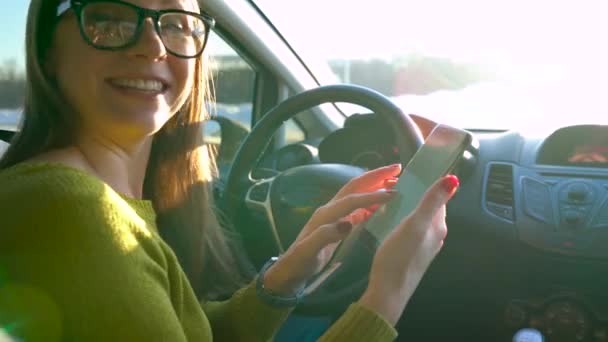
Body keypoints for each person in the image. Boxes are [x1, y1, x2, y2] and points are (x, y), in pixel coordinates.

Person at [0, 0, 460, 341]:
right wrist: (388, 293)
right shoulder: (69, 212)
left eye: (178, 23)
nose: (153, 45)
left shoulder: (95, 201)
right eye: (111, 16)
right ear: (47, 52)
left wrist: (290, 270)